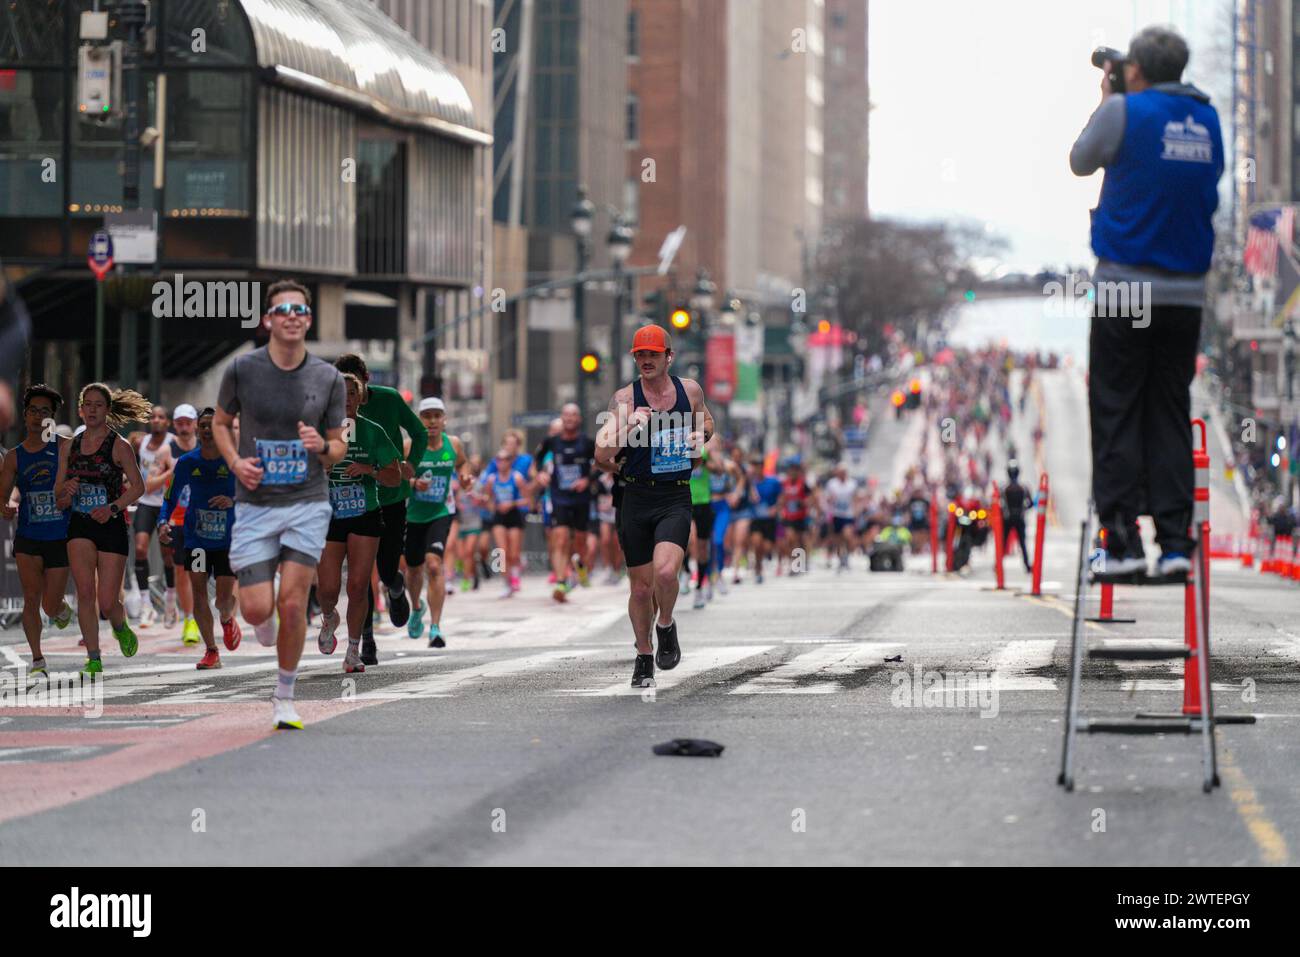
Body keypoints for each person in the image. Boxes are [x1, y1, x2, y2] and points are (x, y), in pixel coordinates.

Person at [1070, 25, 1225, 578]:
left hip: (1125, 287)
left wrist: (1110, 103)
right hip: (1186, 294)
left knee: (1116, 408)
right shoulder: (1208, 120)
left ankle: (1121, 542)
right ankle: (1177, 543)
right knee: (1168, 411)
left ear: (1135, 70)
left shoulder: (1124, 112)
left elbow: (1080, 161)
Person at [214, 279, 347, 730]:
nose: (293, 316)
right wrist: (235, 462)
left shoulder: (328, 378)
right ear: (268, 320)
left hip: (307, 502)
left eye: (301, 310)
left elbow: (337, 446)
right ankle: (260, 621)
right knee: (256, 609)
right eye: (283, 309)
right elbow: (220, 422)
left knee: (293, 603)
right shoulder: (242, 369)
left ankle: (285, 697)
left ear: (308, 320)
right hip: (254, 503)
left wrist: (321, 447)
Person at [595, 324, 713, 688]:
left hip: (674, 495)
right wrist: (627, 427)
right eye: (640, 355)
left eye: (652, 355)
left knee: (665, 574)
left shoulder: (688, 391)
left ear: (668, 357)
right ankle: (644, 655)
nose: (645, 361)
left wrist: (702, 434)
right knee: (642, 589)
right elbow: (601, 454)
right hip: (636, 498)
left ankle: (666, 625)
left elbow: (707, 420)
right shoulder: (625, 400)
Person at [332, 355, 429, 665]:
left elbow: (420, 432)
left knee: (386, 569)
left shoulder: (388, 399)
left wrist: (410, 466)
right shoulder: (333, 415)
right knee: (361, 577)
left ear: (365, 380)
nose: (348, 395)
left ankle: (397, 587)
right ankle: (366, 640)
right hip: (355, 506)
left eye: (352, 388)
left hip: (391, 496)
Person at [54, 383, 150, 675]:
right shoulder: (69, 446)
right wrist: (66, 490)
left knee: (108, 602)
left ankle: (120, 627)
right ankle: (93, 658)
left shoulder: (119, 445)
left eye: (99, 405)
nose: (93, 410)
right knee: (85, 593)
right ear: (81, 409)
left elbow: (139, 487)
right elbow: (57, 492)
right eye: (88, 404)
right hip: (80, 524)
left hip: (110, 525)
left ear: (107, 410)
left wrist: (112, 507)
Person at [316, 373, 402, 673]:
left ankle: (353, 650)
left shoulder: (373, 431)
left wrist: (370, 469)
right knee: (326, 589)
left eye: (353, 393)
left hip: (365, 512)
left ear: (360, 397)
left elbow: (395, 476)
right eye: (341, 393)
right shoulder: (322, 431)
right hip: (328, 514)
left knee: (357, 585)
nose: (347, 398)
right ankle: (328, 615)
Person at [0, 385, 74, 676]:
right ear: (25, 415)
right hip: (28, 536)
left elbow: (83, 477)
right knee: (31, 598)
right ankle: (37, 659)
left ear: (52, 418)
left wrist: (71, 492)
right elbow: (3, 495)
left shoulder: (66, 446)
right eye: (33, 411)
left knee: (49, 604)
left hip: (59, 536)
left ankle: (59, 608)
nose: (38, 417)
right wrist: (4, 506)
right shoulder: (15, 457)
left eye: (45, 412)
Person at [158, 408, 241, 669]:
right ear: (197, 429)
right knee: (199, 593)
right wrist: (163, 521)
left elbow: (256, 495)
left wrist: (232, 501)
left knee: (223, 600)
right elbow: (170, 496)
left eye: (211, 425)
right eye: (202, 426)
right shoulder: (187, 462)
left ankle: (227, 619)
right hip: (196, 539)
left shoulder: (234, 461)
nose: (206, 430)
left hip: (227, 540)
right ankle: (211, 651)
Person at [404, 397, 467, 646]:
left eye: (436, 415)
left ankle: (436, 628)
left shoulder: (453, 444)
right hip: (412, 515)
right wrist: (412, 483)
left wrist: (465, 478)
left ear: (444, 420)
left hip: (441, 512)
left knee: (434, 565)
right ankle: (416, 607)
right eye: (426, 416)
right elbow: (392, 474)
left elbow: (463, 464)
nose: (431, 420)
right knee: (413, 569)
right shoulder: (409, 447)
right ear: (419, 420)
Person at [535, 403, 597, 603]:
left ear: (579, 419)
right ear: (562, 418)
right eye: (566, 415)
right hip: (559, 496)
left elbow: (600, 463)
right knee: (560, 538)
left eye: (573, 415)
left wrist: (587, 479)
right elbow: (537, 460)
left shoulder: (587, 443)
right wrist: (541, 474)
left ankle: (580, 566)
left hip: (581, 498)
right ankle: (561, 581)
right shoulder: (552, 442)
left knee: (580, 540)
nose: (569, 418)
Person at [128, 405, 175, 627]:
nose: (156, 420)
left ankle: (170, 602)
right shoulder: (142, 442)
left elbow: (171, 478)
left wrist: (167, 474)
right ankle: (146, 605)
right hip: (147, 503)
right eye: (153, 416)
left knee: (168, 555)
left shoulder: (172, 444)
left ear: (167, 422)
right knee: (139, 549)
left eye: (161, 417)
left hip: (167, 503)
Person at [161, 405, 201, 639]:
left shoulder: (205, 449)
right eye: (180, 422)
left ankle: (200, 613)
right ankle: (190, 620)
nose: (184, 426)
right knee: (182, 572)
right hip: (177, 519)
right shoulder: (167, 451)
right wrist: (170, 473)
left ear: (195, 423)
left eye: (188, 422)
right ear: (174, 425)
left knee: (199, 571)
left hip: (199, 519)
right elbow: (152, 484)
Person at [482, 449, 529, 598]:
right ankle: (506, 583)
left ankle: (515, 572)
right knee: (502, 551)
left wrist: (512, 503)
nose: (502, 463)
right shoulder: (491, 479)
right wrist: (492, 505)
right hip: (499, 517)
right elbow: (487, 498)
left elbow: (528, 500)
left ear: (510, 462)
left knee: (514, 553)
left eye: (506, 459)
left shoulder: (517, 477)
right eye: (499, 459)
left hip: (514, 515)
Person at [822, 463, 859, 571]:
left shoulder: (852, 483)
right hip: (836, 514)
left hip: (848, 514)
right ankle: (840, 560)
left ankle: (846, 557)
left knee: (847, 536)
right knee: (838, 539)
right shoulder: (832, 484)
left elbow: (855, 498)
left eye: (844, 472)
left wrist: (856, 511)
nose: (842, 474)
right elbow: (827, 498)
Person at [1001, 460, 1033, 573]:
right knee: (1022, 544)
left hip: (1008, 519)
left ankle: (998, 565)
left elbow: (1000, 504)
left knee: (1003, 543)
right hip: (1019, 518)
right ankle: (1027, 565)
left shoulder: (1005, 488)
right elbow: (1030, 503)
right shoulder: (1023, 488)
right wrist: (1023, 509)